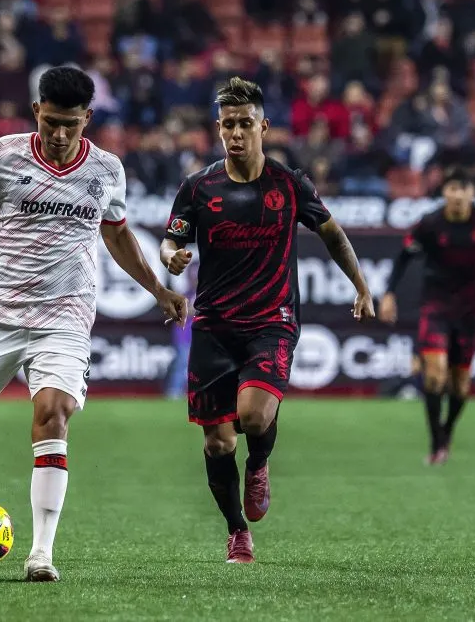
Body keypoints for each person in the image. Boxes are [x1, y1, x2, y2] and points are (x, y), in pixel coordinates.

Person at [0, 67, 188, 582]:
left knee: (54, 413)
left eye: (71, 124)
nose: (60, 134)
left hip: (66, 315)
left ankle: (41, 553)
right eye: (51, 122)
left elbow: (116, 234)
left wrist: (158, 289)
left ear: (88, 118)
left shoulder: (108, 170)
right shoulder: (3, 155)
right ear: (35, 113)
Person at [160, 77, 375, 564]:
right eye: (228, 125)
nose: (236, 133)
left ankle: (259, 464)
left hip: (271, 323)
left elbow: (334, 235)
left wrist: (361, 286)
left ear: (264, 126)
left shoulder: (289, 184)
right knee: (218, 443)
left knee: (254, 417)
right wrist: (172, 257)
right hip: (214, 327)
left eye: (245, 124)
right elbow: (170, 239)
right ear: (218, 129)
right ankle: (237, 531)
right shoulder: (198, 187)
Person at [379, 168, 475, 465]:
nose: (458, 195)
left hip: (471, 310)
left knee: (460, 384)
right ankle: (436, 441)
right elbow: (403, 256)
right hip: (436, 306)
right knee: (435, 374)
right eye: (452, 189)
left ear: (472, 194)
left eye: (463, 189)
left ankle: (447, 431)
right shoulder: (431, 224)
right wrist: (389, 293)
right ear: (445, 193)